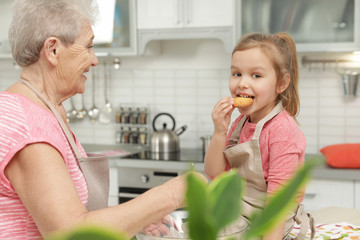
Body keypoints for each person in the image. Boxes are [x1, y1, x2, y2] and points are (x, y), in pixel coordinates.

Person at [0, 0, 207, 239]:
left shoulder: (32, 109)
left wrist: (134, 219)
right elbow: (70, 233)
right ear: (53, 50)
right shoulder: (29, 128)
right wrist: (171, 194)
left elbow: (63, 212)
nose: (94, 60)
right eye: (88, 47)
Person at [204, 32, 315, 240]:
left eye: (256, 75)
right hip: (239, 209)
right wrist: (219, 131)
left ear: (281, 84)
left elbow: (278, 202)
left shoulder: (282, 130)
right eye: (237, 74)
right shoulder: (240, 123)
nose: (242, 84)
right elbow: (215, 173)